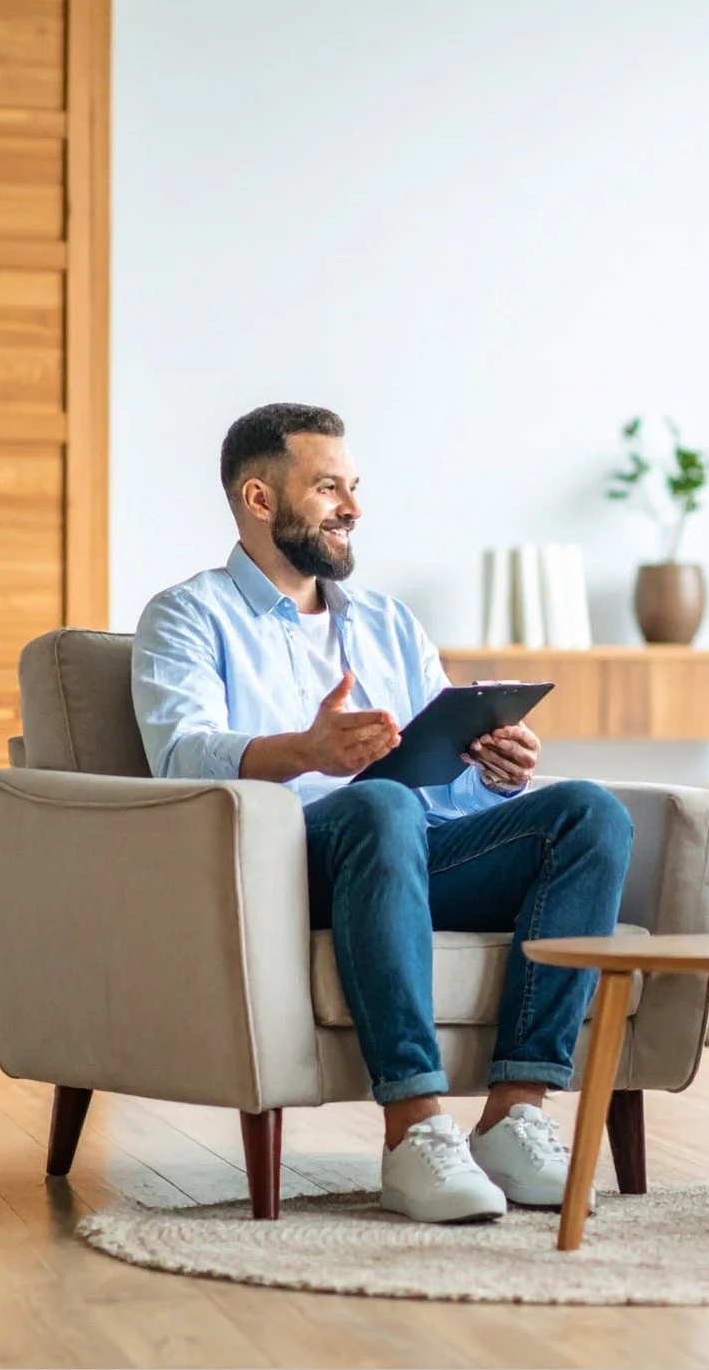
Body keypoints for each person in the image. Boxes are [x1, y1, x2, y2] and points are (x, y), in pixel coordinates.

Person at [132, 402, 632, 1224]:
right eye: (328, 486)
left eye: (354, 486)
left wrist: (492, 773)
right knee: (379, 804)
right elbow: (182, 758)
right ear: (260, 499)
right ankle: (414, 1132)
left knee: (586, 813)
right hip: (293, 861)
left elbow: (434, 781)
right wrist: (306, 750)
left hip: (408, 845)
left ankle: (515, 1114)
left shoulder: (389, 622)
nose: (353, 507)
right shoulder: (188, 615)